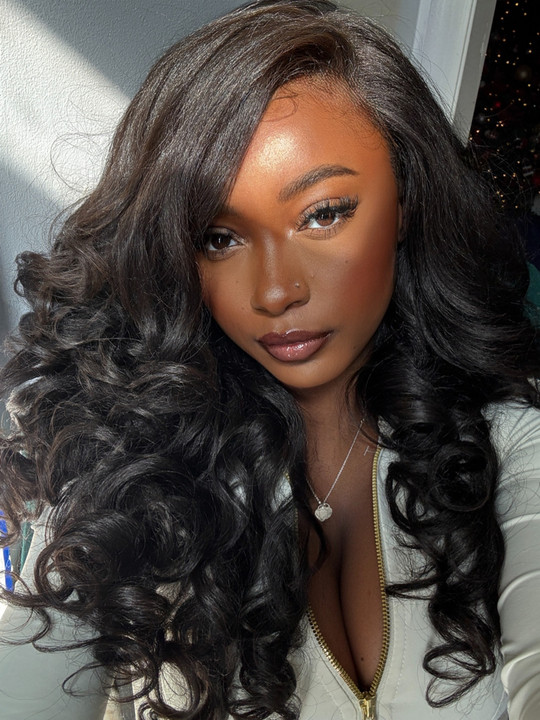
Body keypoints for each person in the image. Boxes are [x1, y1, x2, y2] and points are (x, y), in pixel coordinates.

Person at [0, 1, 539, 718]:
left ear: (406, 202)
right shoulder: (124, 464)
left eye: (324, 213)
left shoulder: (508, 443)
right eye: (218, 237)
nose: (276, 291)